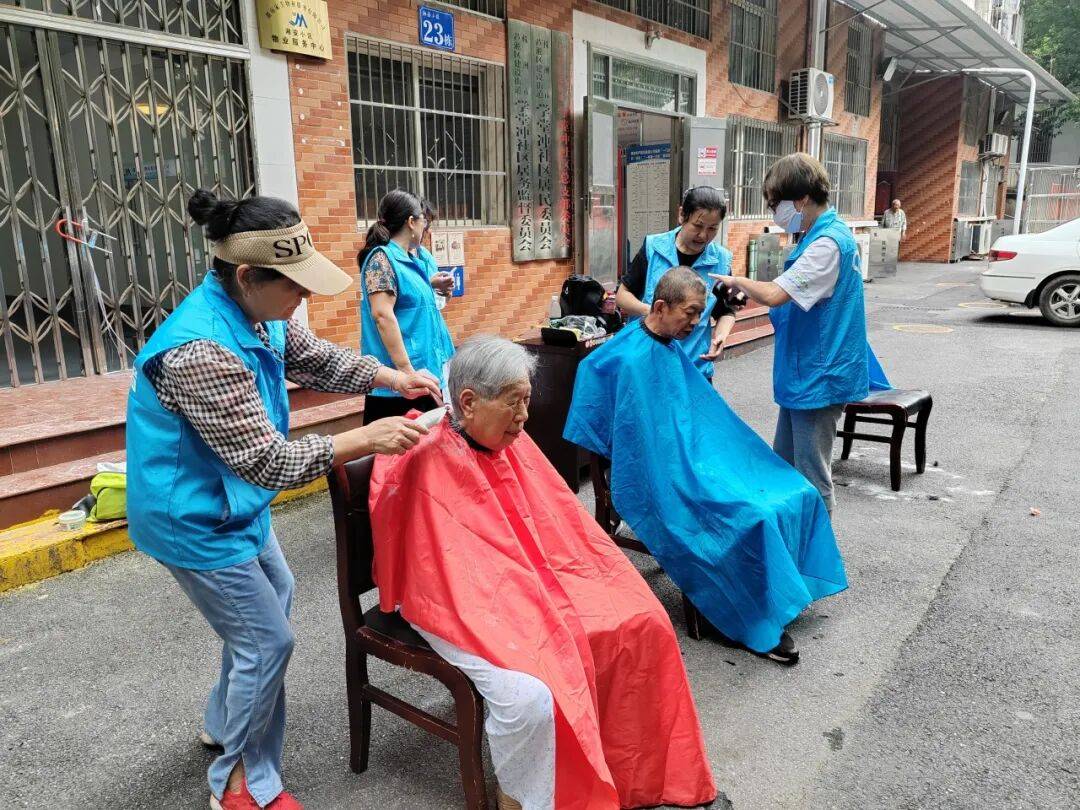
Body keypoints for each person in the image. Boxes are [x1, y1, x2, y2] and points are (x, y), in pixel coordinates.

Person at [126, 190, 443, 810]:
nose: (303, 298)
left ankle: (224, 721)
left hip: (233, 500)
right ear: (248, 275)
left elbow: (312, 357)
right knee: (267, 639)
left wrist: (391, 377)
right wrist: (366, 438)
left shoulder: (257, 312)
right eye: (294, 286)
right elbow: (267, 461)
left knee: (274, 598)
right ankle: (240, 783)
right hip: (193, 517)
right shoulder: (200, 352)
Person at [369, 336, 717, 810]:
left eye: (527, 401)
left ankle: (639, 779)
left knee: (644, 622)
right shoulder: (422, 453)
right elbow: (437, 566)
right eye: (514, 403)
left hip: (527, 577)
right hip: (458, 601)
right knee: (531, 693)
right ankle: (524, 799)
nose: (524, 417)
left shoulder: (505, 439)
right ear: (468, 402)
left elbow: (556, 522)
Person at [565, 267, 846, 665]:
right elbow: (622, 426)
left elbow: (691, 417)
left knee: (797, 490)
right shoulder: (627, 359)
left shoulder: (665, 347)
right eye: (691, 312)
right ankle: (743, 616)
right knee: (748, 516)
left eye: (701, 313)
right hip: (665, 477)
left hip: (696, 459)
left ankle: (783, 592)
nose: (697, 322)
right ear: (660, 307)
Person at [723, 153, 888, 514]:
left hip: (819, 376)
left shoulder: (828, 244)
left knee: (812, 478)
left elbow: (775, 293)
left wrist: (737, 281)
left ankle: (819, 549)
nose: (774, 213)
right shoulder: (818, 237)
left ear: (800, 200)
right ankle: (793, 540)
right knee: (784, 467)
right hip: (806, 372)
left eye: (775, 204)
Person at [615, 185, 744, 379]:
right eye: (698, 226)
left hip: (693, 367)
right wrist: (654, 312)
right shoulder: (653, 248)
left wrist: (720, 337)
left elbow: (727, 310)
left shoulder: (721, 261)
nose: (703, 235)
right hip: (646, 362)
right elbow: (622, 296)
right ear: (682, 215)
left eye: (712, 228)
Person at [359, 189, 456, 424]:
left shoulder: (413, 260)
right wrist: (406, 371)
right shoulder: (381, 259)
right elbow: (382, 315)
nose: (425, 227)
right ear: (411, 222)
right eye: (423, 221)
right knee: (398, 445)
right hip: (398, 387)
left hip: (424, 376)